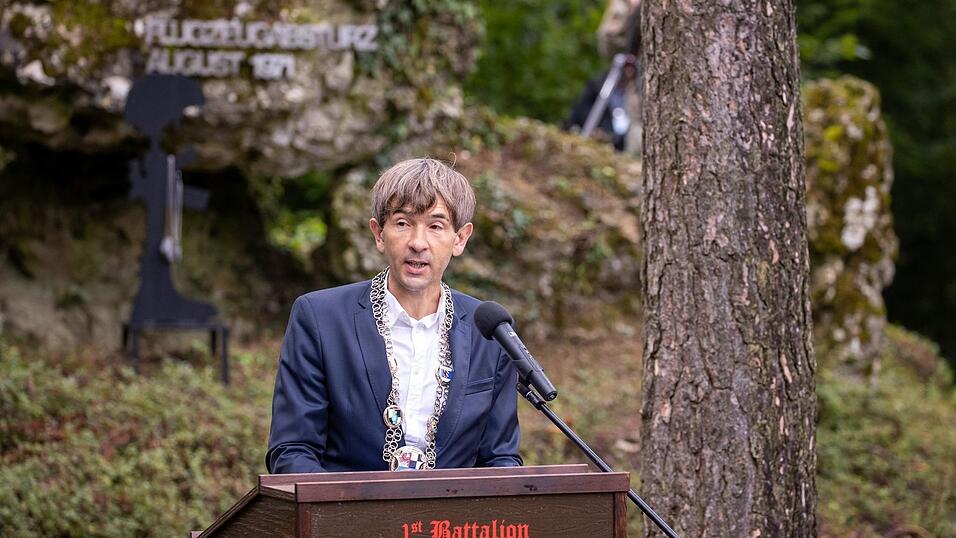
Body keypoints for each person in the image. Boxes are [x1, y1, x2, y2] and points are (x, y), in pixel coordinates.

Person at [266, 158, 522, 473]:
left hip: (450, 520)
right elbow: (293, 451)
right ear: (379, 233)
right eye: (402, 223)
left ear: (460, 238)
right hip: (345, 514)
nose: (417, 243)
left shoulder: (490, 331)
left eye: (435, 226)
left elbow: (500, 460)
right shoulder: (320, 319)